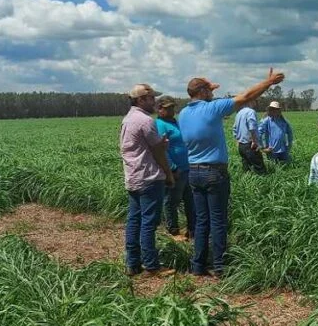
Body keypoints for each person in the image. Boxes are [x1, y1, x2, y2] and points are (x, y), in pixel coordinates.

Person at [178, 68, 285, 277]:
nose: (212, 93)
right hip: (213, 172)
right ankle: (219, 267)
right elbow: (246, 96)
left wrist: (208, 88)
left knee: (201, 220)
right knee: (218, 220)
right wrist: (269, 82)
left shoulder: (183, 113)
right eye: (209, 90)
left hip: (193, 171)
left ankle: (198, 265)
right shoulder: (212, 109)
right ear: (202, 92)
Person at [120, 83, 175, 278]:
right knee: (149, 223)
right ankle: (151, 265)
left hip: (133, 176)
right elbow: (157, 151)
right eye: (151, 98)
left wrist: (160, 144)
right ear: (140, 100)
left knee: (134, 220)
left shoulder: (127, 119)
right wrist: (168, 174)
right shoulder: (145, 120)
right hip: (149, 177)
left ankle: (132, 263)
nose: (155, 102)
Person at [155, 96, 194, 241]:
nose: (171, 110)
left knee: (190, 200)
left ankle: (192, 229)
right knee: (171, 201)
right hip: (175, 171)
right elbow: (161, 150)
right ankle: (173, 231)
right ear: (159, 109)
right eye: (167, 108)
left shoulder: (174, 122)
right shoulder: (160, 124)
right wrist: (172, 168)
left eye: (172, 107)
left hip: (186, 168)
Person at [232, 99, 267, 174]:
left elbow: (234, 129)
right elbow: (252, 127)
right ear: (250, 101)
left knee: (246, 168)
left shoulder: (239, 113)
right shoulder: (251, 111)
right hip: (250, 144)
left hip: (241, 145)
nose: (255, 102)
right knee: (260, 167)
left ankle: (247, 182)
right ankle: (262, 184)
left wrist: (238, 141)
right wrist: (254, 141)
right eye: (254, 100)